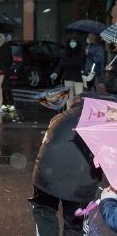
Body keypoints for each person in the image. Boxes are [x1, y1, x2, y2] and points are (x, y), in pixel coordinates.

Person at [29, 95, 102, 236]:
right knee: (75, 225)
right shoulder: (100, 126)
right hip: (80, 185)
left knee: (45, 213)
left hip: (45, 178)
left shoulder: (59, 118)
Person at [51, 37, 86, 110]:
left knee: (79, 95)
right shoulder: (66, 52)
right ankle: (69, 111)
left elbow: (80, 63)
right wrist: (56, 73)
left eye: (74, 41)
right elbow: (61, 64)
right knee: (69, 96)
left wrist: (68, 64)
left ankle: (79, 111)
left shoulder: (81, 52)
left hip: (78, 76)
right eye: (71, 42)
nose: (72, 43)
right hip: (68, 76)